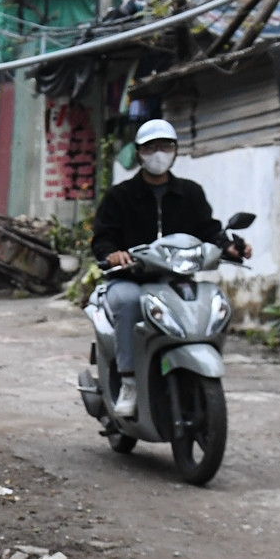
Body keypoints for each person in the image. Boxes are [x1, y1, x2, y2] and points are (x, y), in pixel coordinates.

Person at [91, 119, 250, 418]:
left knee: (212, 299)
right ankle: (128, 381)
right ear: (139, 152)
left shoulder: (190, 193)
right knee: (127, 302)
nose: (159, 153)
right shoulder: (120, 196)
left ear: (176, 151)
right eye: (151, 147)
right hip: (131, 279)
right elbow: (103, 237)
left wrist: (230, 246)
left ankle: (198, 366)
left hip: (176, 279)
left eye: (166, 146)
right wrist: (113, 254)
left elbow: (209, 229)